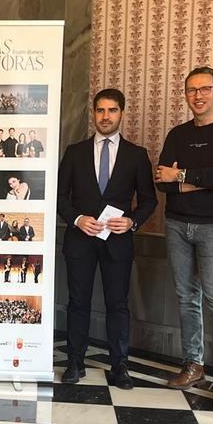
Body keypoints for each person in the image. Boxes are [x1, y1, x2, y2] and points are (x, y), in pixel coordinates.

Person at [155, 67, 213, 409]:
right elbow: (162, 183)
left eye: (205, 89)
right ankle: (193, 365)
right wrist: (206, 183)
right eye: (192, 90)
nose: (198, 96)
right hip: (178, 224)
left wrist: (180, 175)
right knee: (186, 298)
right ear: (185, 94)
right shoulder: (177, 134)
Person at [57, 88, 157, 389]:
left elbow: (149, 200)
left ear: (121, 113)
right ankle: (75, 362)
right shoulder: (75, 152)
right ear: (94, 113)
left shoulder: (136, 155)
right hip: (80, 240)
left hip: (117, 242)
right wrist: (77, 219)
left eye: (112, 110)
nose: (105, 116)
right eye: (100, 110)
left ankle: (119, 366)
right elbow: (59, 196)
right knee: (78, 303)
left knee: (118, 305)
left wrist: (132, 221)